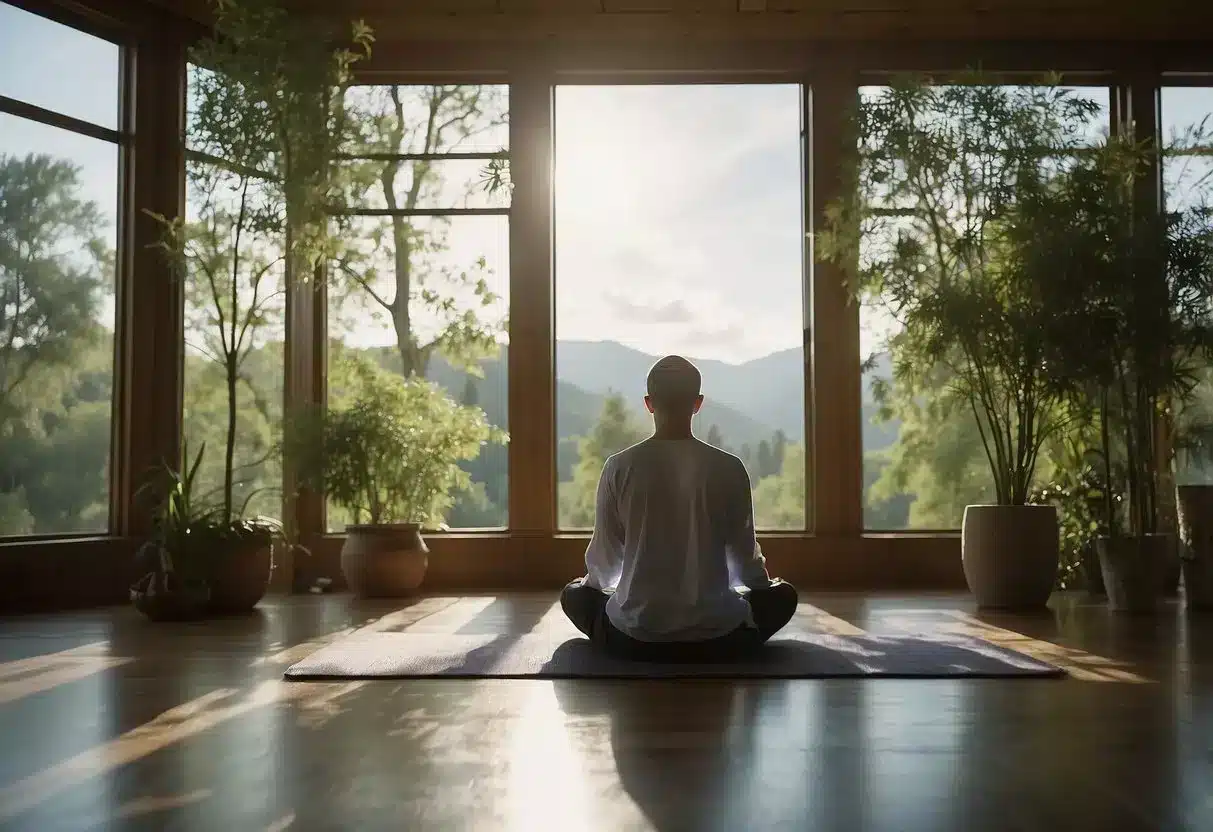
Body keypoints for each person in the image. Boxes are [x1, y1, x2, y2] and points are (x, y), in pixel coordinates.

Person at [560, 354, 799, 662]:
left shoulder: (619, 467)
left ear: (649, 403)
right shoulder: (730, 468)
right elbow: (744, 560)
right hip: (720, 637)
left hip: (633, 637)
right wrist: (763, 590)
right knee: (785, 596)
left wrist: (593, 589)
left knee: (573, 595)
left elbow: (605, 562)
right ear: (697, 403)